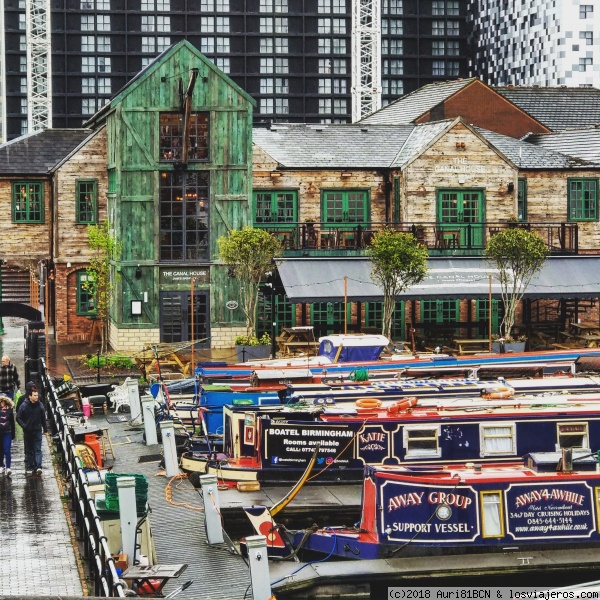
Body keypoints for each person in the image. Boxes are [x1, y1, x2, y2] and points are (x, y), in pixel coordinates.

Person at [16, 386, 47, 475]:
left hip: (37, 430)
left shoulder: (40, 406)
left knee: (37, 449)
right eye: (34, 395)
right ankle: (31, 465)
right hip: (28, 431)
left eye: (37, 395)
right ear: (30, 396)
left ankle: (38, 466)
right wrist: (24, 426)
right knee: (29, 449)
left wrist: (45, 429)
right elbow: (18, 417)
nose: (36, 397)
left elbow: (43, 418)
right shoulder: (24, 406)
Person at [0, 395, 15, 476]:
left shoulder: (10, 410)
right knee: (0, 450)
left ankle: (8, 467)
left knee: (7, 449)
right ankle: (1, 465)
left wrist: (13, 434)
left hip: (7, 432)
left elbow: (12, 422)